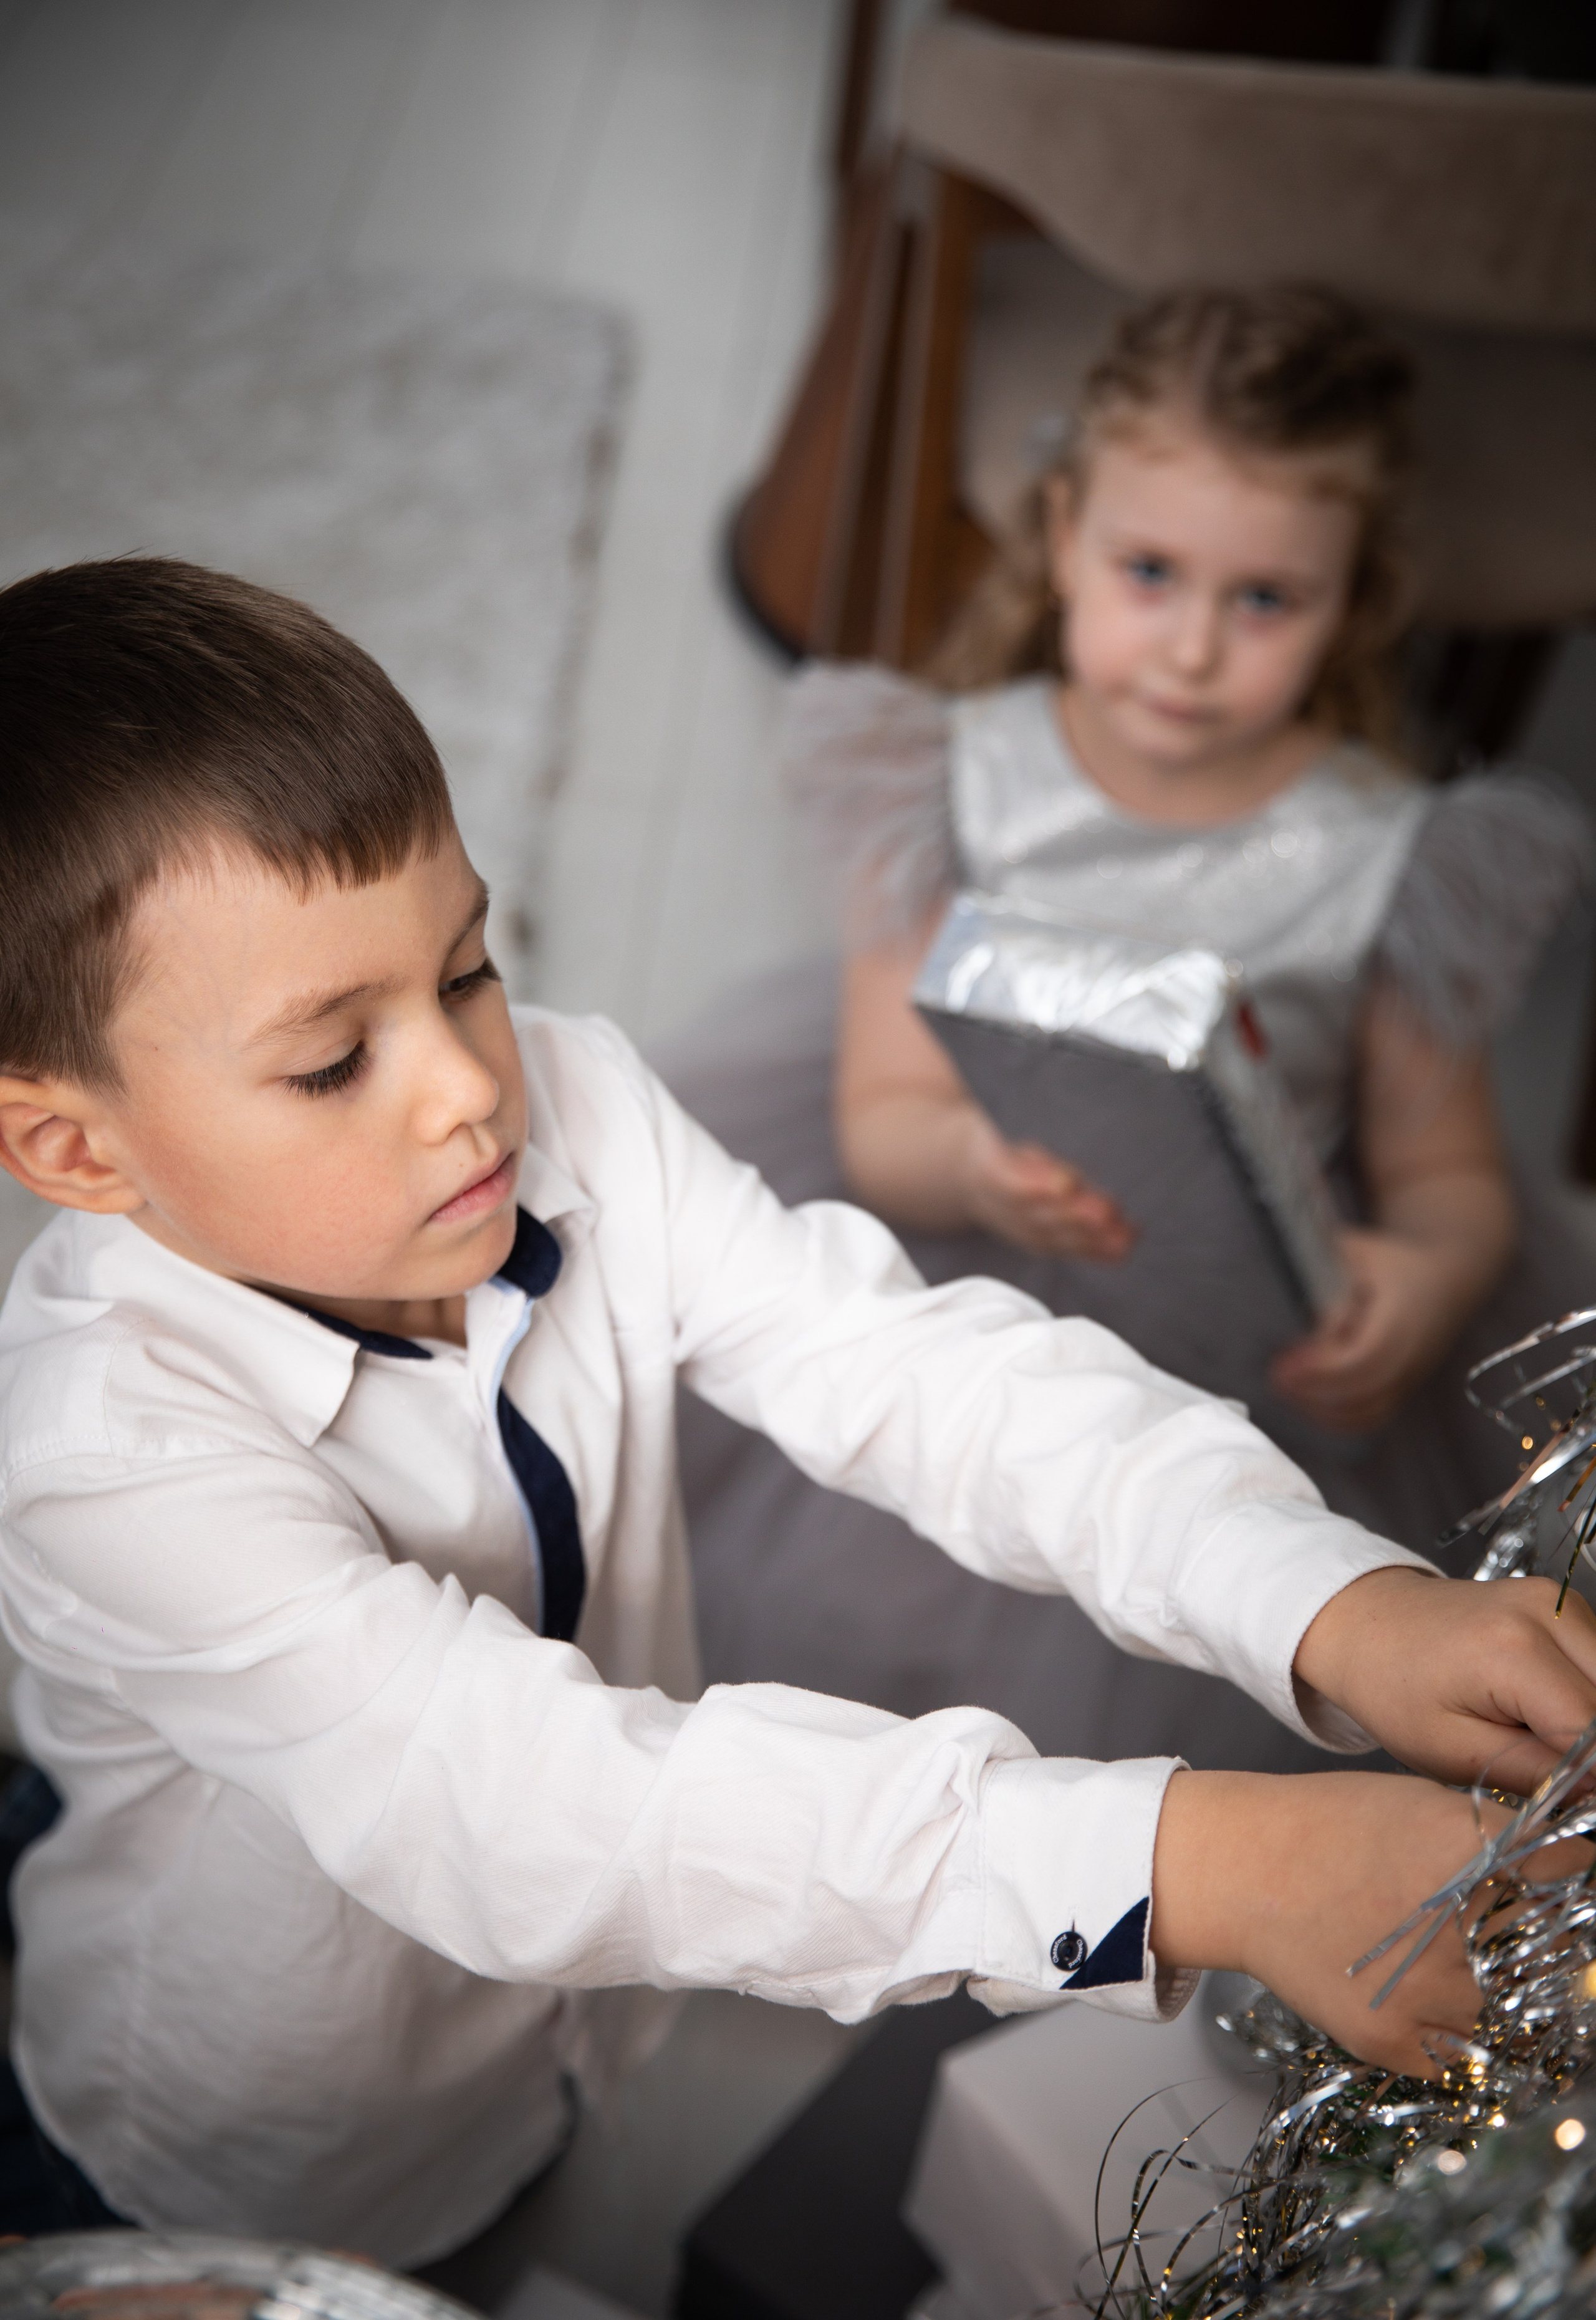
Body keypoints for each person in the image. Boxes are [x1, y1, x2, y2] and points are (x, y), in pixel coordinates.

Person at [1, 557, 1592, 2264]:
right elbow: (535, 1806)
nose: (471, 1086)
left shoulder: (582, 1102)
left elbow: (919, 1374)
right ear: (80, 1153)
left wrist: (1326, 1598)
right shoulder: (109, 1459)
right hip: (245, 2142)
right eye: (332, 1061)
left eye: (465, 969)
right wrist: (1207, 1853)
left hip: (541, 2058)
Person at [659, 284, 1595, 1773]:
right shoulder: (938, 776)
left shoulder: (1391, 857)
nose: (1190, 649)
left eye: (1264, 600)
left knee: (1225, 1624)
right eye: (1147, 571)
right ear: (1059, 534)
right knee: (902, 1545)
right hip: (981, 1264)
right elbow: (887, 1115)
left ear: (1351, 602)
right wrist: (973, 1171)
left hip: (1258, 1317)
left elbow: (1450, 1183)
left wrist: (1418, 1280)